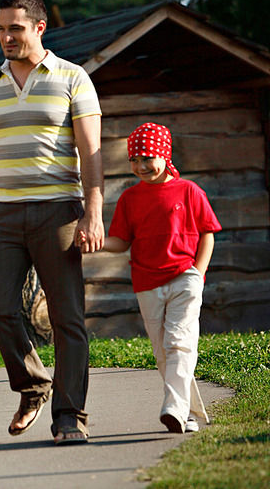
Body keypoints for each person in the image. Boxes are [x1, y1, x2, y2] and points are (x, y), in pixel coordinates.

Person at [0, 0, 104, 445]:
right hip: (4, 212)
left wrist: (93, 212)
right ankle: (33, 384)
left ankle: (70, 415)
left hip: (58, 210)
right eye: (1, 29)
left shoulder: (73, 77)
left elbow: (91, 151)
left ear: (40, 27)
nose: (6, 37)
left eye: (15, 28)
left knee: (66, 318)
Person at [78, 122, 220, 433]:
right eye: (135, 160)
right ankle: (187, 414)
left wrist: (198, 272)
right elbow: (121, 242)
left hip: (185, 278)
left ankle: (173, 408)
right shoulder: (130, 198)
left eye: (147, 158)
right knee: (162, 351)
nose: (141, 166)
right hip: (146, 284)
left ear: (164, 156)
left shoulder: (189, 191)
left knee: (179, 343)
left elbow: (208, 232)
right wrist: (94, 243)